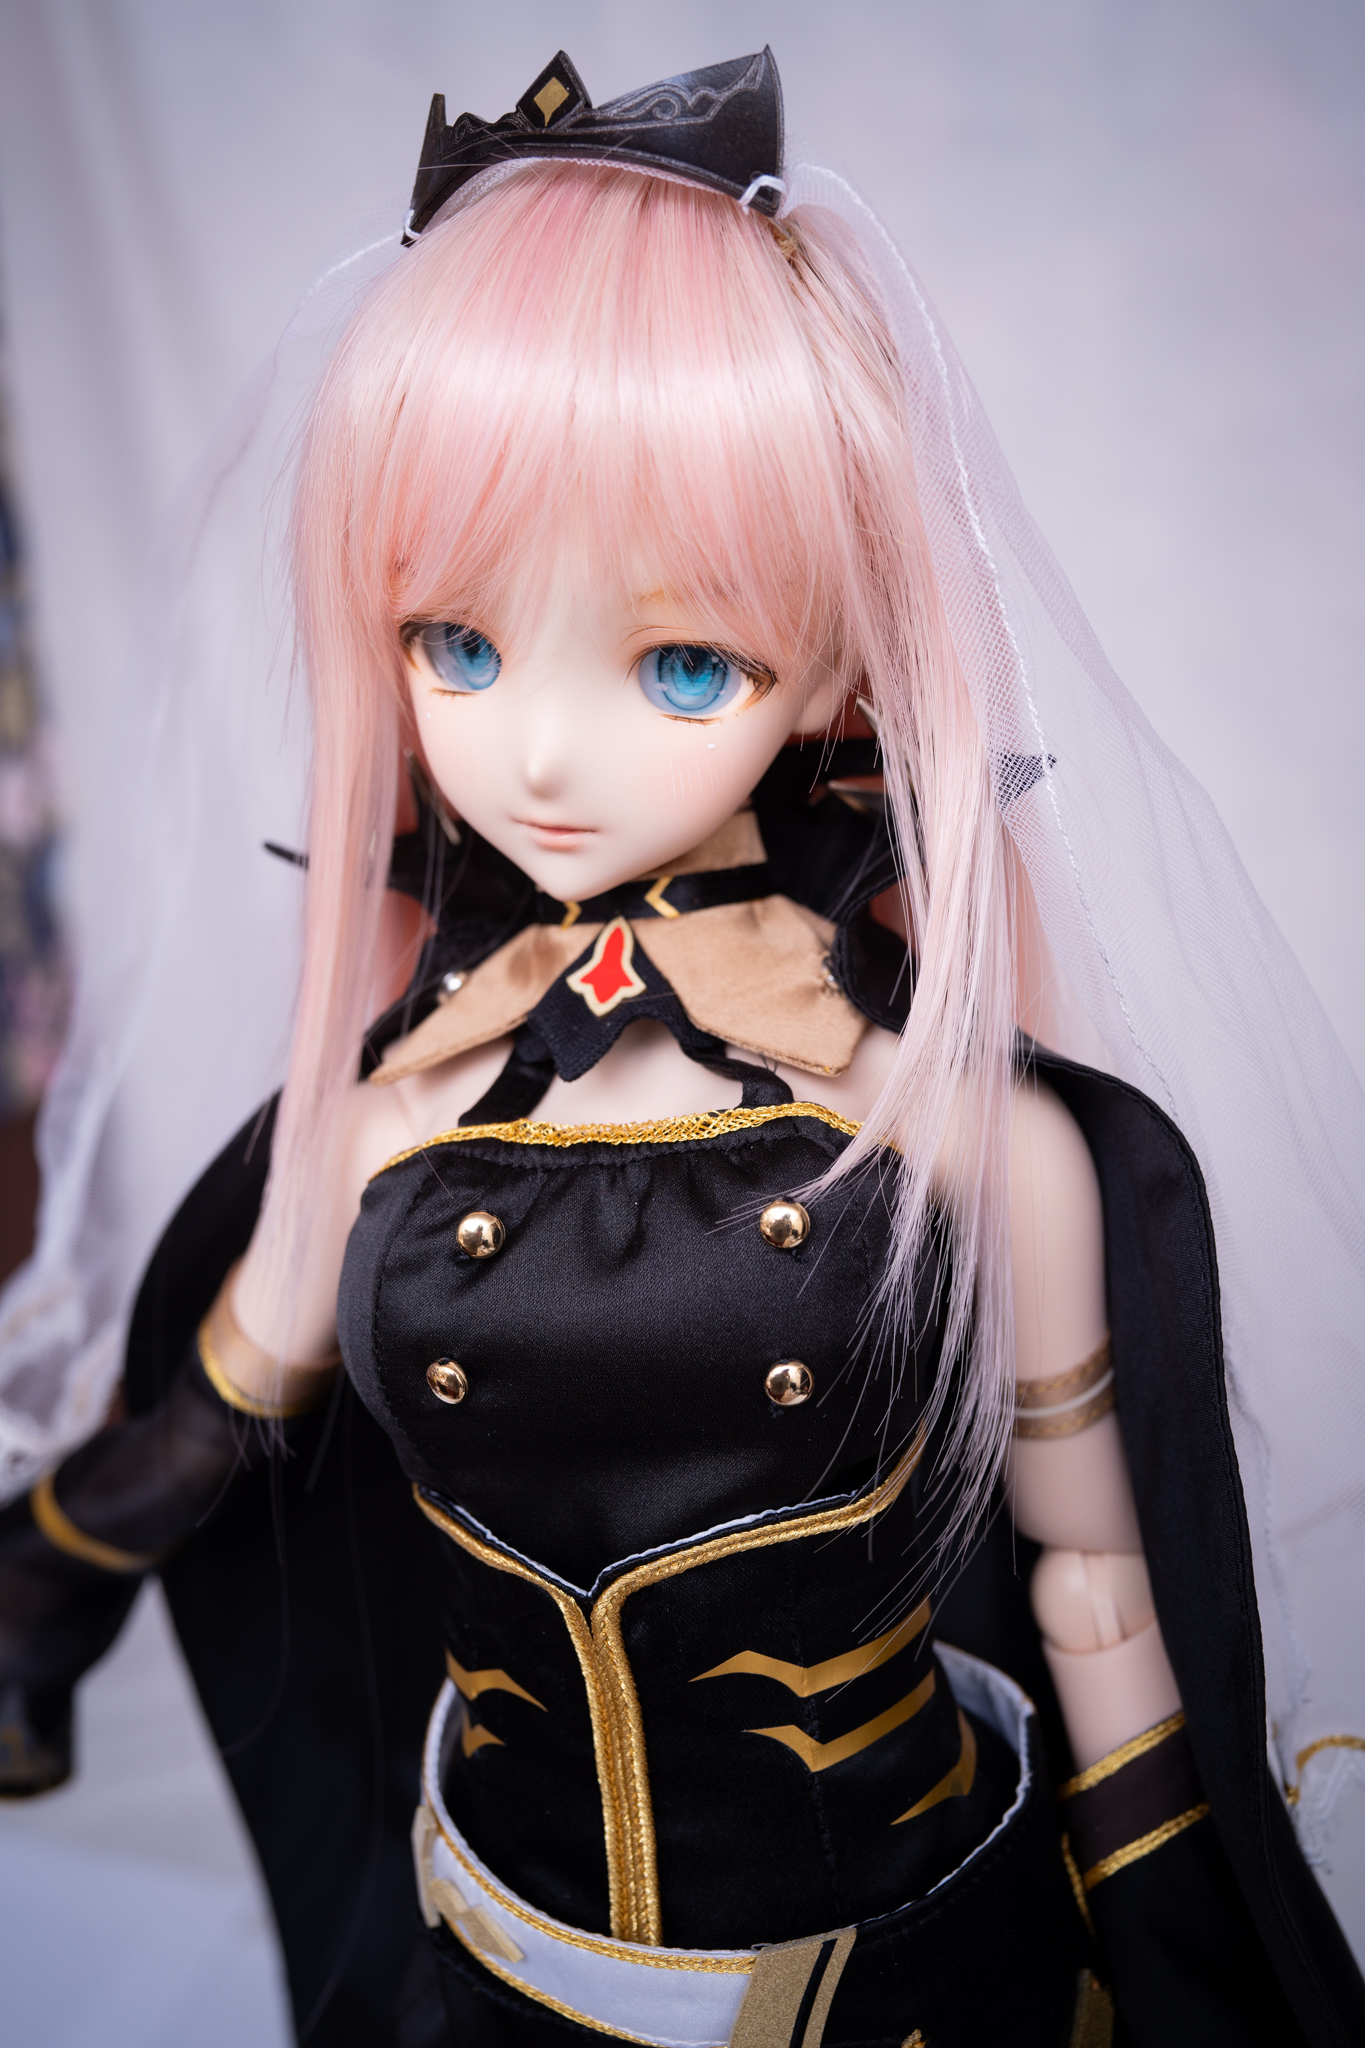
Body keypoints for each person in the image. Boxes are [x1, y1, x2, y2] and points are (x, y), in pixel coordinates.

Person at [1, 47, 1362, 2048]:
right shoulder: (397, 1107)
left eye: (680, 660)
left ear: (833, 659)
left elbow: (1096, 1583)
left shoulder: (966, 1139)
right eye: (456, 644)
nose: (540, 755)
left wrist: (1174, 1956)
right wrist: (39, 1594)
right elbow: (208, 1423)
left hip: (907, 1989)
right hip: (495, 1971)